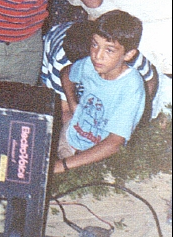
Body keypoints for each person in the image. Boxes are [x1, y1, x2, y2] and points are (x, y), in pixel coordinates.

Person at [55, 11, 146, 175]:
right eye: (94, 44)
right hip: (71, 138)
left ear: (128, 54)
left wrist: (63, 165)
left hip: (99, 154)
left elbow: (114, 143)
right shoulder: (90, 64)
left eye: (109, 50)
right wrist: (72, 103)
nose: (97, 55)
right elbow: (66, 74)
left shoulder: (131, 87)